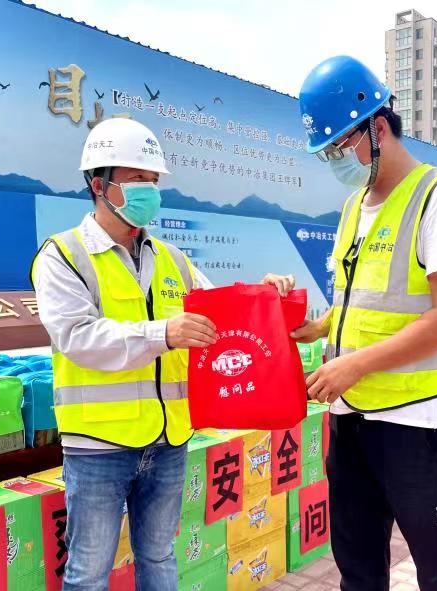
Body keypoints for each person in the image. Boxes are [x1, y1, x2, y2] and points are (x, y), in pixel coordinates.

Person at [31, 117, 293, 591]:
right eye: (137, 179)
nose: (149, 191)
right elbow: (77, 336)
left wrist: (265, 294)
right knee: (88, 573)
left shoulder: (172, 259)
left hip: (169, 440)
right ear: (99, 185)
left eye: (154, 180)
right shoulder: (63, 256)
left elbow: (223, 313)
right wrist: (163, 334)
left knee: (159, 556)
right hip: (98, 445)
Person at [292, 56, 437, 591]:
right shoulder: (354, 208)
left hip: (421, 425)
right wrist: (321, 327)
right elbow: (367, 300)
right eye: (328, 152)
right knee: (358, 569)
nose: (336, 160)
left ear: (378, 128)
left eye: (340, 146)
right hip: (353, 419)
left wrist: (355, 365)